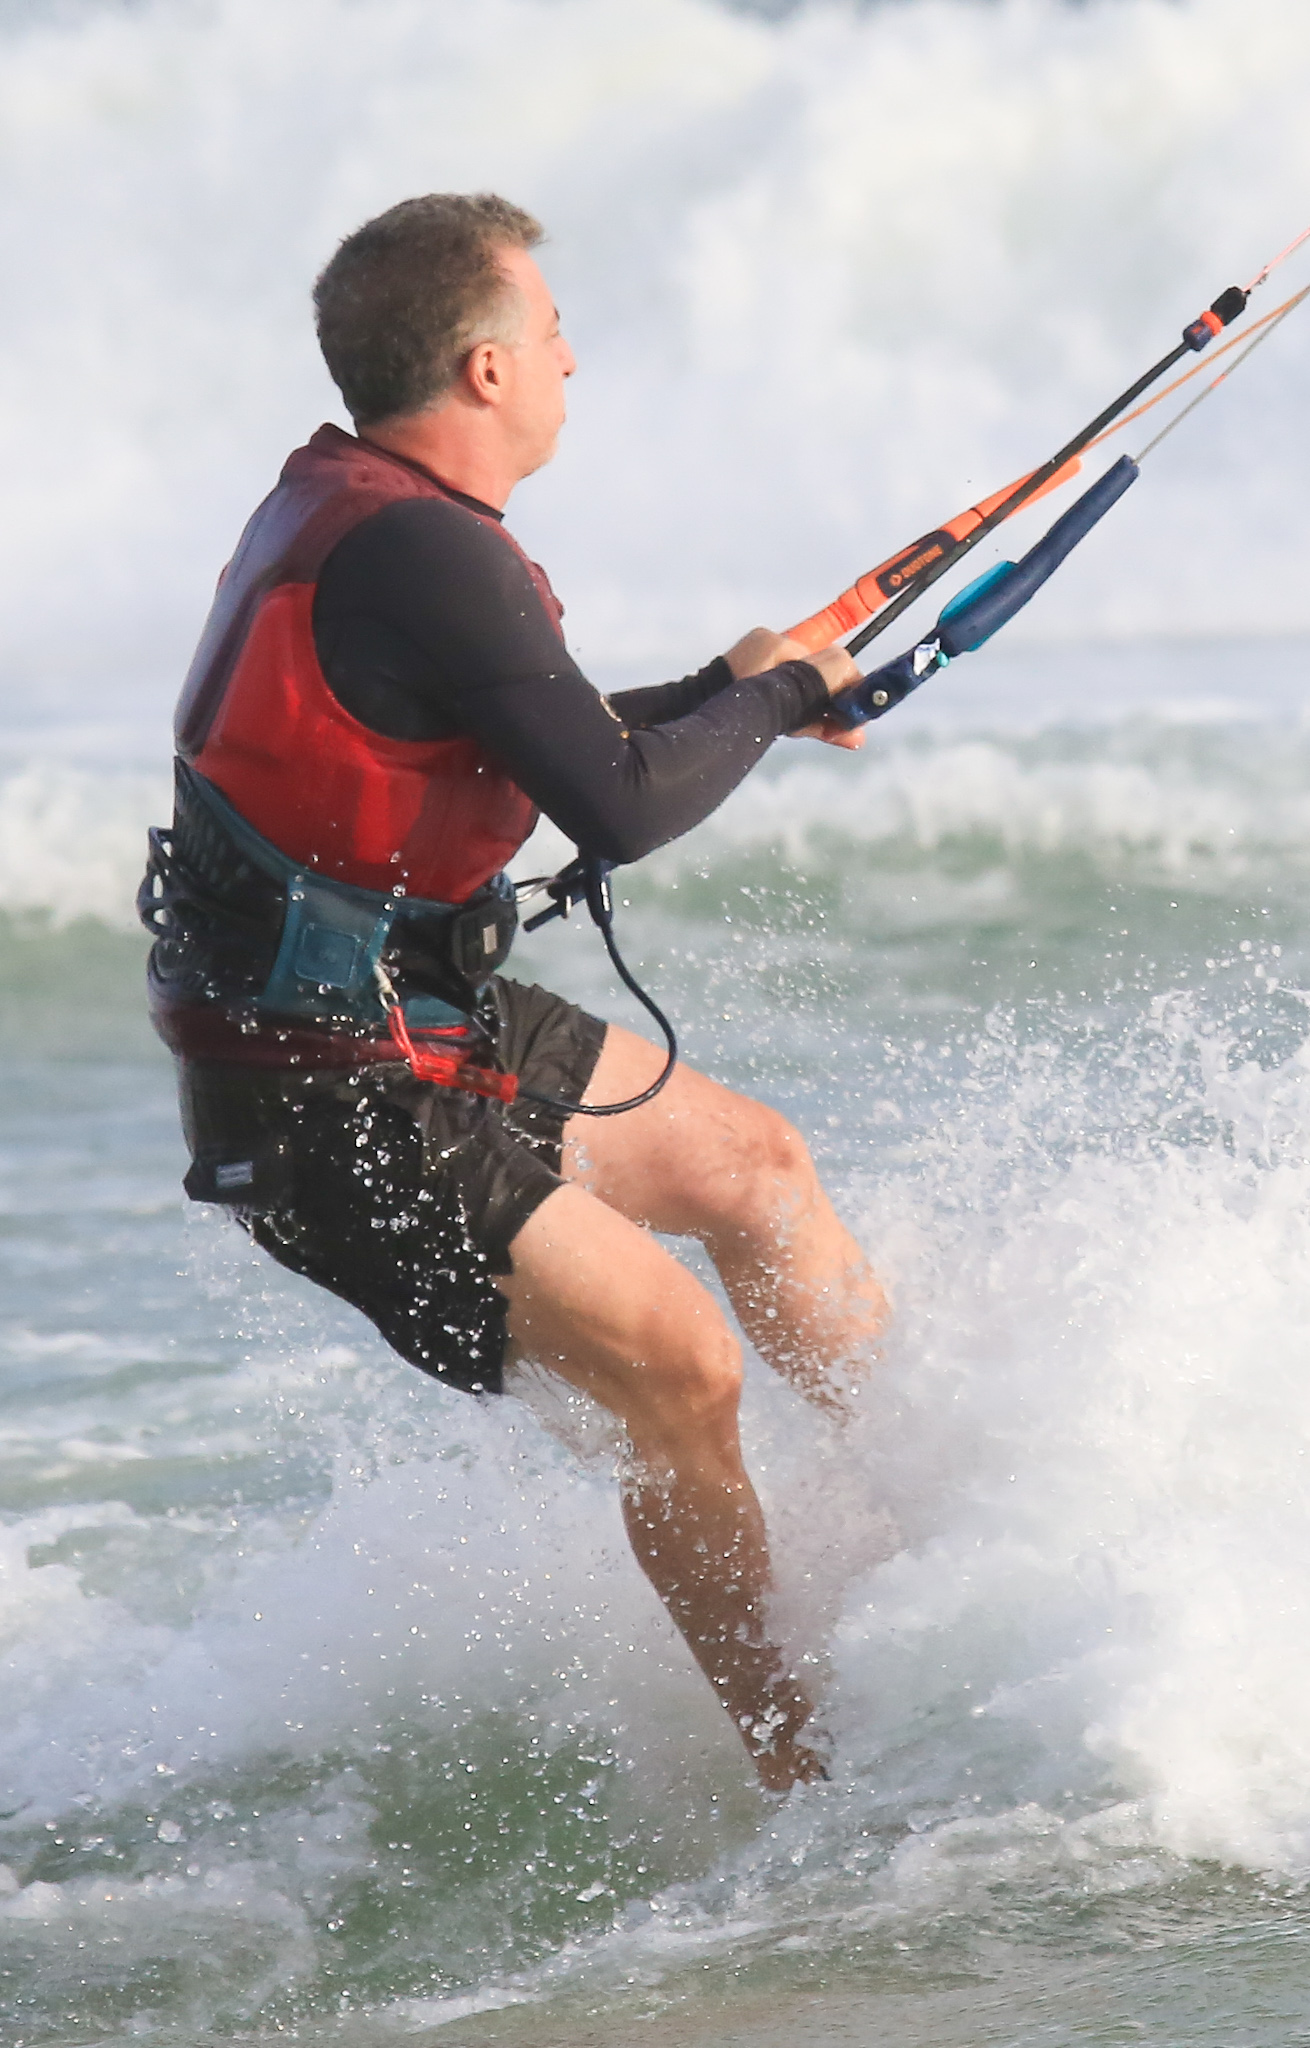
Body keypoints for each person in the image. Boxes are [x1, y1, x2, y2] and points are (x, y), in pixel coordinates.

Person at [142, 193, 888, 1792]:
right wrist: (768, 698)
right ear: (487, 370)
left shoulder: (375, 524)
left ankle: (932, 1517)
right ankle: (814, 1779)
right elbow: (616, 808)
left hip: (412, 1023)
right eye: (551, 333)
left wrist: (742, 687)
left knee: (754, 1170)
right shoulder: (423, 548)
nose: (571, 358)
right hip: (331, 1093)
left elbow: (528, 731)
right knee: (682, 1369)